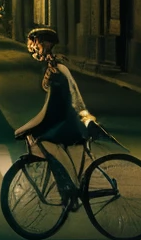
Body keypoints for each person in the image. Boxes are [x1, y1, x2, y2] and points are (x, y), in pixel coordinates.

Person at [14, 27, 93, 198]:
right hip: (69, 118)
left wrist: (25, 128)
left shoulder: (57, 70)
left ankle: (71, 186)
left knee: (44, 142)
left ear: (47, 44)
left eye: (37, 43)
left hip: (71, 122)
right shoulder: (54, 65)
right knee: (47, 139)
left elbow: (48, 110)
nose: (34, 48)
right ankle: (69, 191)